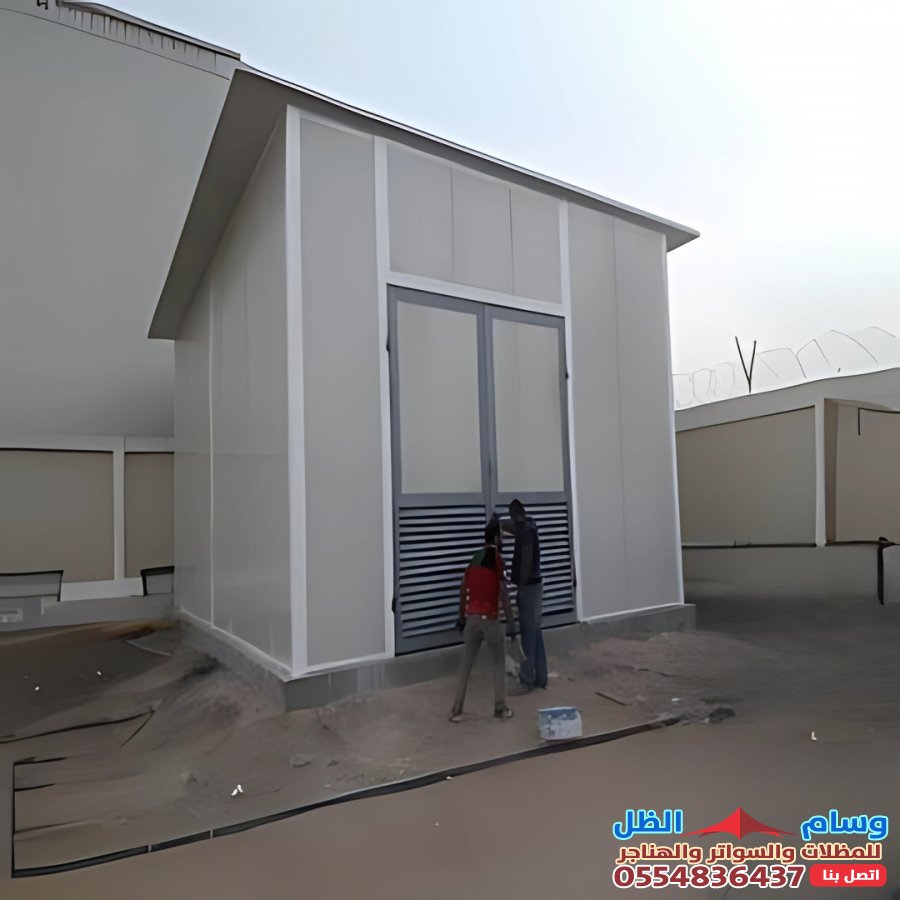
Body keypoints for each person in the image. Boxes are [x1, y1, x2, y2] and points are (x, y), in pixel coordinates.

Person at [449, 518, 516, 722]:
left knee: (466, 665)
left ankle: (456, 709)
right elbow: (503, 592)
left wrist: (461, 617)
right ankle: (500, 708)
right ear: (496, 538)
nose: (503, 540)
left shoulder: (474, 558)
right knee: (498, 663)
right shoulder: (497, 560)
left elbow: (463, 589)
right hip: (490, 619)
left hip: (471, 619)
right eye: (501, 536)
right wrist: (511, 620)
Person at [503, 499, 547, 692]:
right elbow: (510, 527)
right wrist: (499, 524)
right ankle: (541, 677)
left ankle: (526, 680)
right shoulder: (528, 525)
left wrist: (519, 587)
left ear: (516, 516)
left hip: (528, 588)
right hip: (535, 587)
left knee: (528, 636)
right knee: (535, 633)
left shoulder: (526, 533)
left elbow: (527, 560)